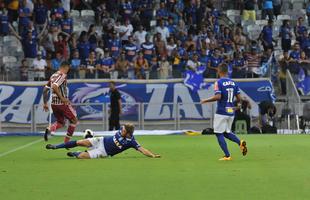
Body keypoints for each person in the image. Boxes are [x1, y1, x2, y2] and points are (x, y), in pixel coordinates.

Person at [200, 64, 248, 161]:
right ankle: (240, 142)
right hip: (230, 111)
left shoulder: (219, 82)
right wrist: (237, 106)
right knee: (226, 132)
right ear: (227, 71)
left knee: (218, 133)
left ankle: (227, 155)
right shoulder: (234, 83)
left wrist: (205, 100)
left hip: (222, 111)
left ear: (219, 71)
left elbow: (218, 97)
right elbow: (239, 98)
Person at [45, 123, 161, 159]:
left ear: (128, 132)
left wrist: (153, 155)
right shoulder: (122, 130)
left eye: (124, 129)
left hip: (103, 152)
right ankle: (56, 146)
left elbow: (142, 150)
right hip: (100, 141)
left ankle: (76, 153)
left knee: (81, 157)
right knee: (79, 142)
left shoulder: (131, 141)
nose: (122, 129)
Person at [42, 61, 79, 143]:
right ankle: (67, 141)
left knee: (61, 122)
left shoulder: (53, 76)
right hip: (62, 103)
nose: (68, 71)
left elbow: (45, 90)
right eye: (68, 69)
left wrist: (45, 103)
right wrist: (62, 98)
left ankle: (50, 129)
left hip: (54, 104)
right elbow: (55, 86)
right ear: (66, 67)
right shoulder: (62, 75)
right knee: (74, 120)